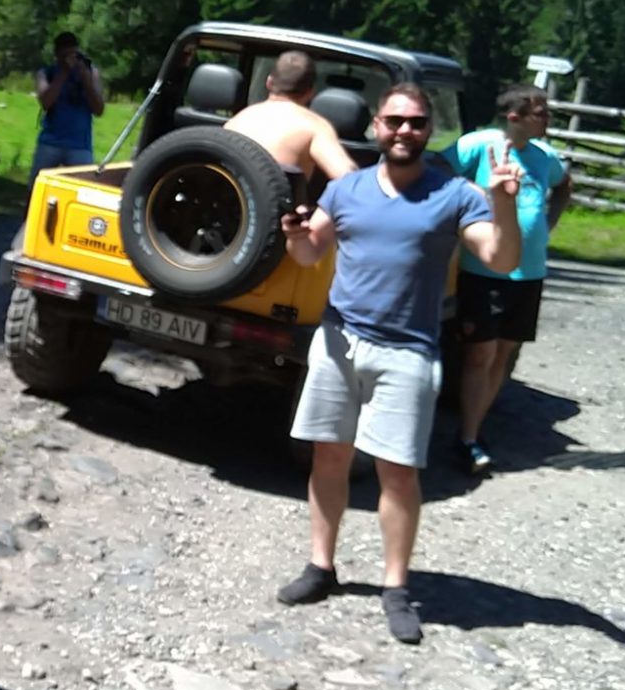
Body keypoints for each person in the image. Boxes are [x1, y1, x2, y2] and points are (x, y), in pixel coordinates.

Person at [278, 84, 523, 643]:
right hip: (339, 341)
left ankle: (395, 587)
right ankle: (321, 566)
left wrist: (504, 201)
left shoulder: (454, 195)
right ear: (376, 127)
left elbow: (500, 257)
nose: (404, 130)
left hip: (408, 351)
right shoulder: (347, 189)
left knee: (398, 472)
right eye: (394, 120)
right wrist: (294, 235)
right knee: (328, 457)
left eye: (415, 122)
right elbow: (310, 252)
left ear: (429, 129)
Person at [441, 84, 573, 475]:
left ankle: (473, 427)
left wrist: (548, 224)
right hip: (486, 269)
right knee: (480, 352)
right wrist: (473, 192)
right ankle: (468, 438)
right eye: (541, 112)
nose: (547, 119)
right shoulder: (479, 145)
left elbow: (564, 186)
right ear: (514, 117)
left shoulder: (544, 156)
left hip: (530, 271)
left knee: (504, 352)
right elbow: (437, 169)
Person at [224, 50, 358, 184]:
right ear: (310, 92)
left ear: (269, 82)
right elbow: (349, 180)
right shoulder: (315, 126)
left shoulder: (236, 121)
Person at [31, 31, 106, 174]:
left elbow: (99, 110)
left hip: (80, 145)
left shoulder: (90, 73)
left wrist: (86, 81)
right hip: (50, 142)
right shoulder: (46, 73)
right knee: (37, 183)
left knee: (83, 184)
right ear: (57, 55)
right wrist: (63, 73)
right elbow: (46, 103)